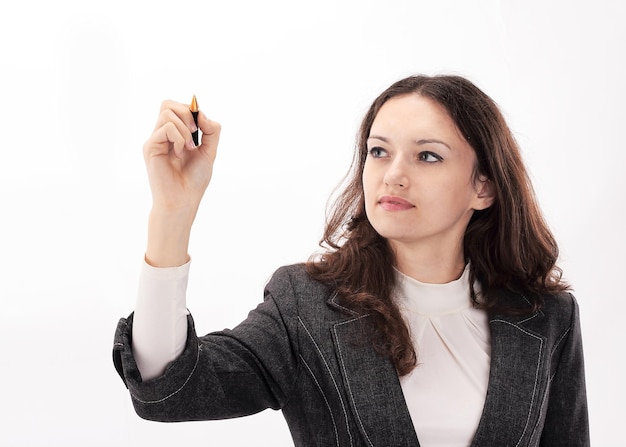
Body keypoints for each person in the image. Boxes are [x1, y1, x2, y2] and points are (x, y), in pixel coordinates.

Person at [113, 75, 589, 446]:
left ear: (483, 186)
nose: (393, 176)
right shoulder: (306, 304)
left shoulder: (547, 317)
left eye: (427, 156)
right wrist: (171, 216)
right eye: (379, 152)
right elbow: (170, 390)